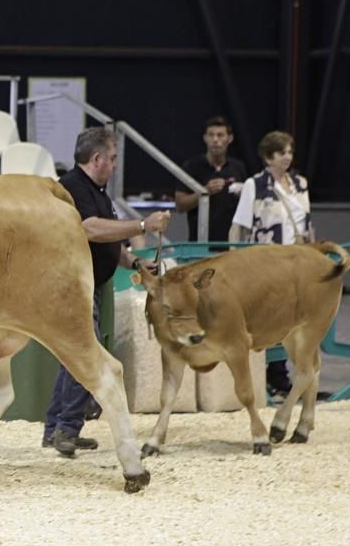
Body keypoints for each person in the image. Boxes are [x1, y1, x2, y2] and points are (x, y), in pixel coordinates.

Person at [44, 126, 170, 457]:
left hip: (91, 283)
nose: (115, 165)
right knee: (89, 353)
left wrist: (134, 264)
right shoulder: (71, 187)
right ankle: (67, 429)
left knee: (74, 355)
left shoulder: (96, 191)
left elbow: (109, 241)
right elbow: (90, 229)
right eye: (112, 159)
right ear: (97, 158)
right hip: (73, 285)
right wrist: (143, 226)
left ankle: (55, 428)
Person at [229, 130, 310, 397]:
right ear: (268, 157)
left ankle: (291, 373)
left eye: (289, 151)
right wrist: (234, 260)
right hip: (266, 263)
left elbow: (306, 224)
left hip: (297, 261)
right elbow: (239, 225)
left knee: (295, 317)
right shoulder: (255, 184)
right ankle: (273, 375)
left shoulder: (300, 183)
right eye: (281, 152)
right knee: (270, 317)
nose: (287, 157)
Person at [173, 116, 248, 243]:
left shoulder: (239, 168)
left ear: (229, 139)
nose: (215, 140)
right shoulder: (191, 167)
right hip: (199, 245)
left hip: (231, 243)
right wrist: (204, 192)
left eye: (220, 135)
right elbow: (180, 205)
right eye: (211, 135)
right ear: (205, 138)